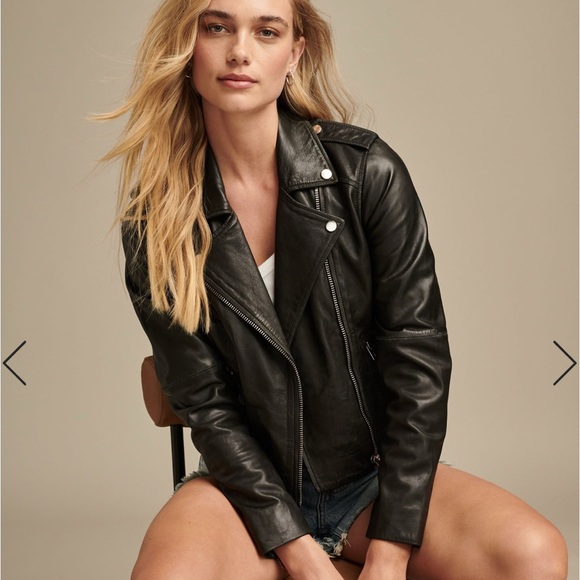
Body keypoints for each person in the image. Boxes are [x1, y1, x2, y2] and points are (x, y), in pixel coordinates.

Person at [101, 0, 568, 578]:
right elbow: (207, 406)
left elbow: (418, 364)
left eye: (266, 31)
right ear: (186, 46)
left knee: (532, 555)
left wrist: (390, 552)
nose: (239, 51)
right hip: (246, 495)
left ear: (294, 53)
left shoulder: (365, 172)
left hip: (371, 480)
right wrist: (297, 550)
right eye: (217, 27)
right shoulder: (157, 220)